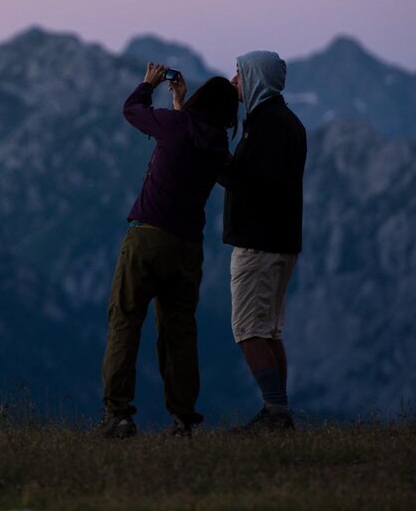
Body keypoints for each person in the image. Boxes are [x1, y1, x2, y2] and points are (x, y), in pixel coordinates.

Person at [99, 64, 239, 438]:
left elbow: (132, 111)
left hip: (148, 237)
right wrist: (179, 104)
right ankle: (183, 417)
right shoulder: (218, 145)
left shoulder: (176, 128)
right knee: (179, 332)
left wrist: (148, 85)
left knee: (125, 321)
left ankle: (119, 415)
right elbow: (194, 139)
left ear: (199, 99)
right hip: (188, 248)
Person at [217, 50, 306, 431]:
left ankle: (276, 411)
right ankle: (277, 411)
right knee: (269, 330)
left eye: (239, 74)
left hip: (259, 244)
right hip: (282, 243)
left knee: (249, 330)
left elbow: (248, 182)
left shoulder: (267, 126)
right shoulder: (285, 122)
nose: (235, 80)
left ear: (255, 78)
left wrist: (215, 157)